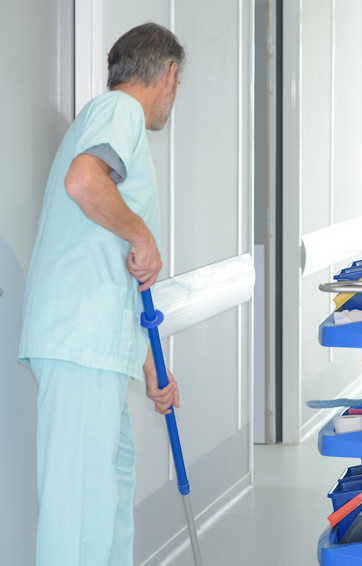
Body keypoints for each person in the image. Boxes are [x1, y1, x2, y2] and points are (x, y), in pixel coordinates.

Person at [18, 23, 186, 565]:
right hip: (80, 342)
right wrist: (142, 234)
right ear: (169, 75)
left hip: (97, 346)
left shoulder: (113, 120)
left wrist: (147, 365)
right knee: (80, 518)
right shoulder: (120, 112)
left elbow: (111, 265)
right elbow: (84, 182)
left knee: (106, 505)